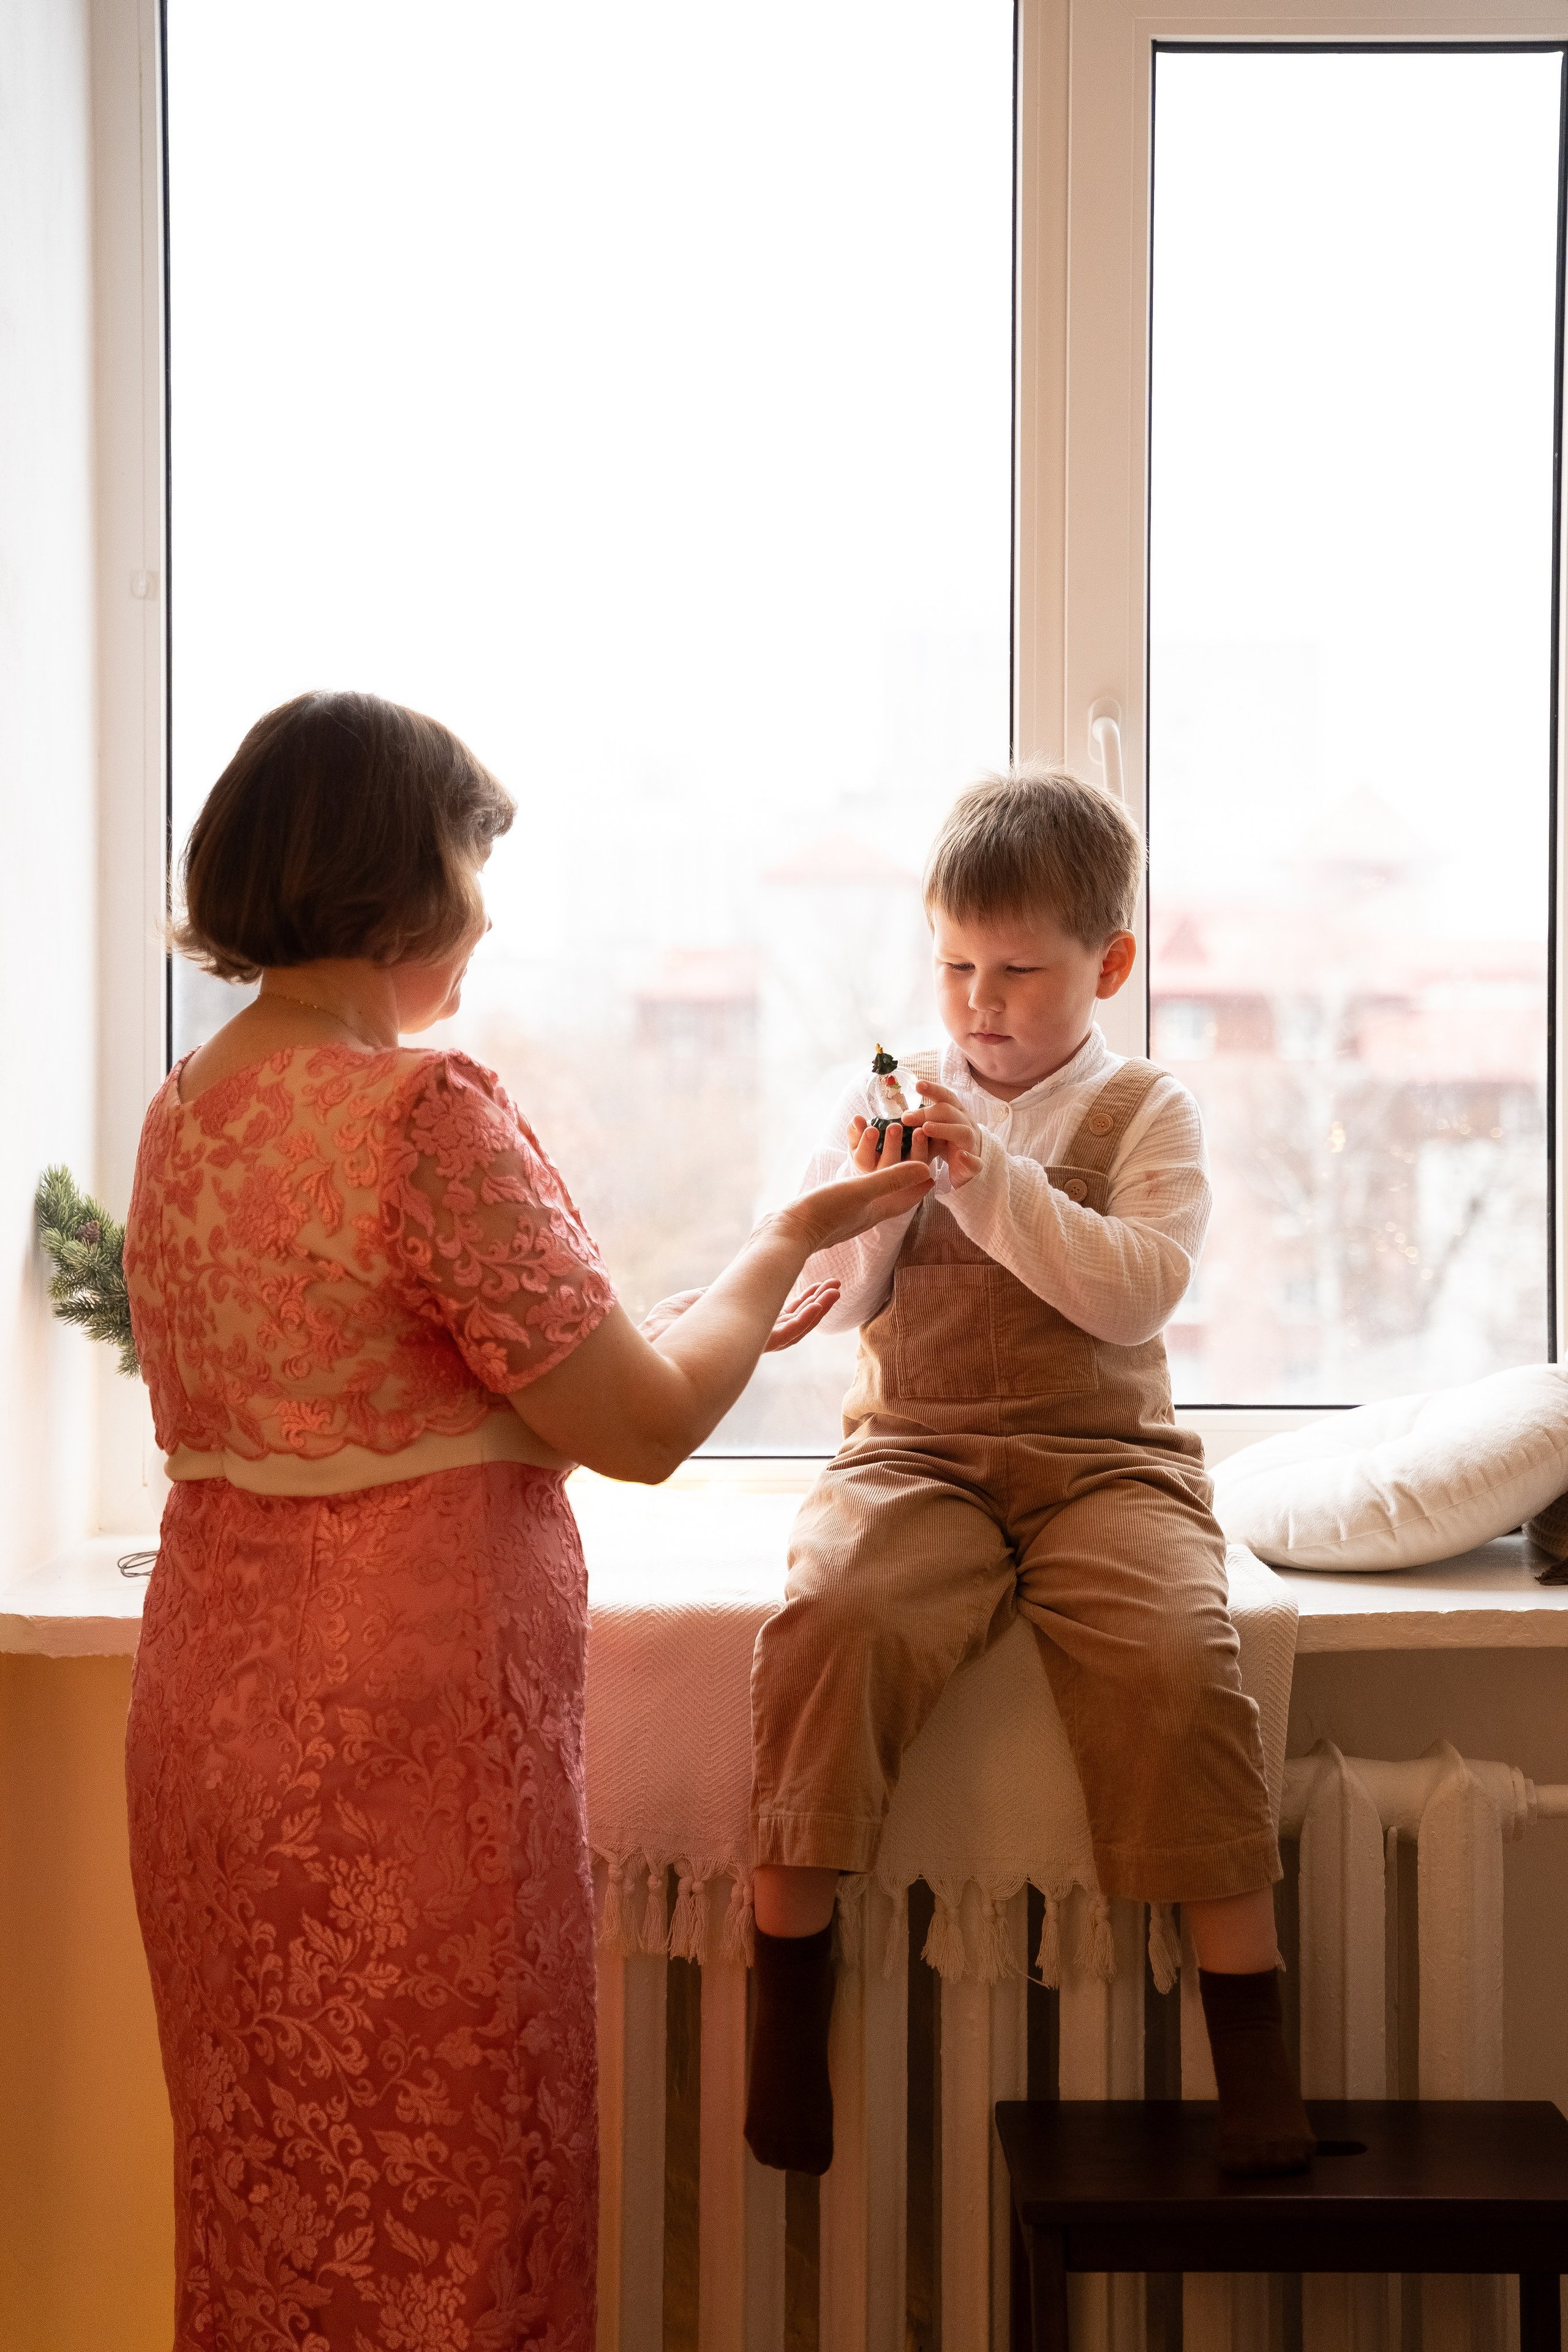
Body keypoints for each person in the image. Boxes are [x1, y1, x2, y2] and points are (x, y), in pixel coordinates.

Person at [121, 689, 930, 2351]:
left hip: (212, 1725)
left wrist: (696, 1299)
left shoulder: (186, 1114)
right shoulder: (418, 1117)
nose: (485, 909)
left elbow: (386, 1381)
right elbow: (635, 1424)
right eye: (468, 861)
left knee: (269, 2188)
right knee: (451, 2200)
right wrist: (784, 1243)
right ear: (386, 873)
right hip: (401, 1752)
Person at [743, 764, 1314, 2179]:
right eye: (950, 966)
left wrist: (983, 1173)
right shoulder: (890, 1091)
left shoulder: (1144, 1113)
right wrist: (856, 1224)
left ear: (1107, 965)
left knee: (1179, 1657)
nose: (976, 1004)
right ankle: (781, 2011)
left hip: (1100, 1460)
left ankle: (1253, 2066)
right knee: (834, 1619)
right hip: (914, 1451)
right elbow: (850, 1297)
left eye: (1016, 971)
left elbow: (1130, 1298)